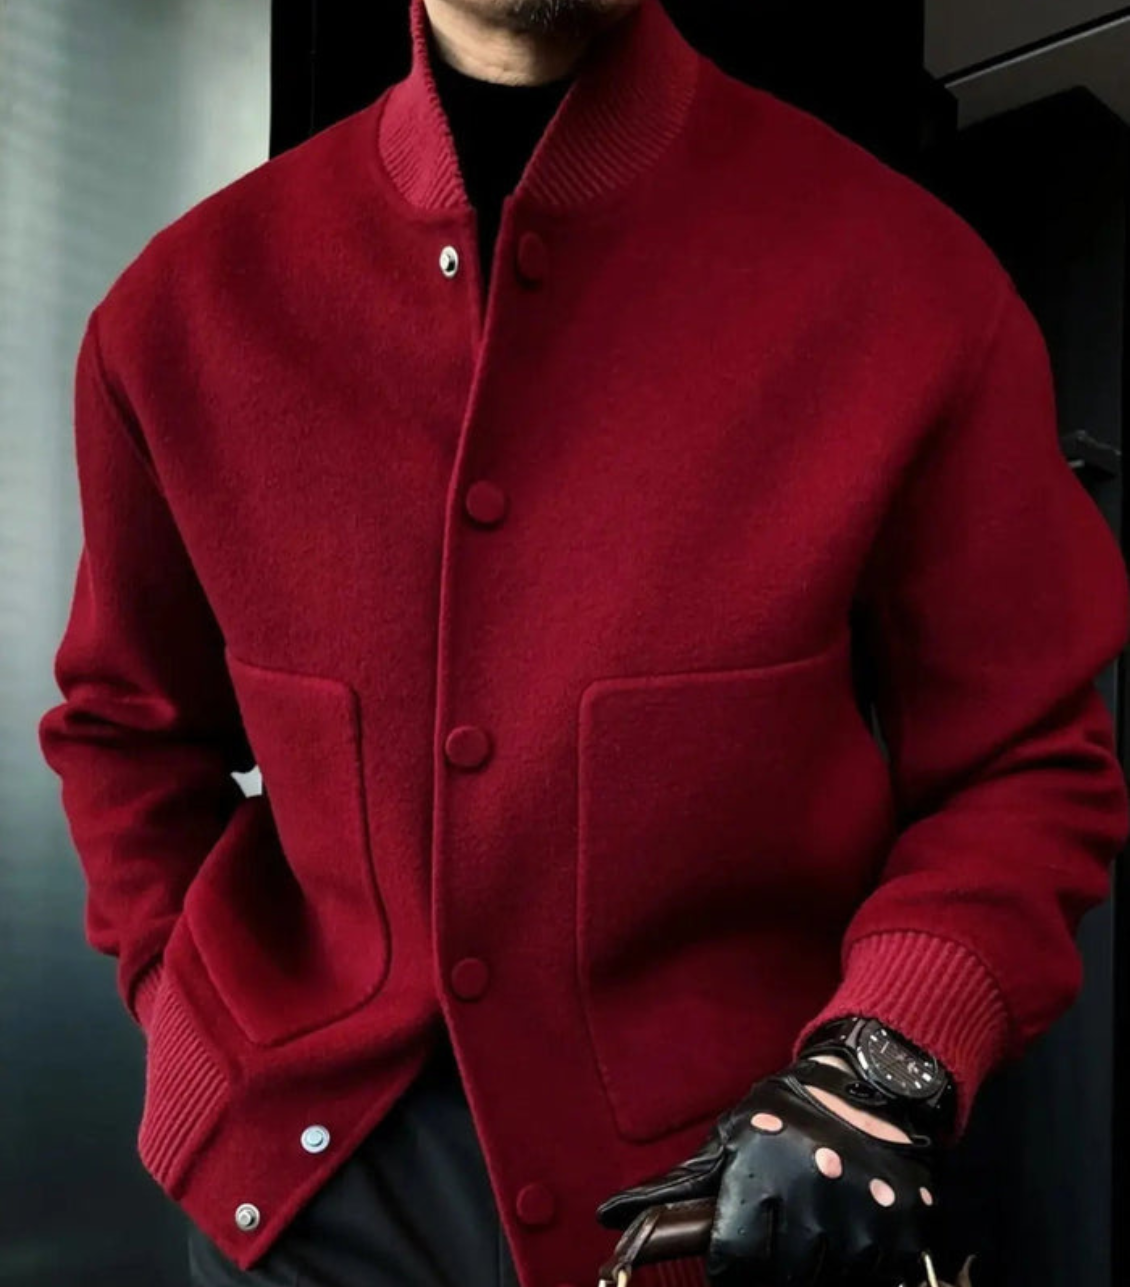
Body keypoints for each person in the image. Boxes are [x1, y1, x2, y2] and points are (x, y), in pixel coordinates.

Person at [37, 0, 1130, 1285]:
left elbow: (1024, 763)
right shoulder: (174, 315)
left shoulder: (911, 284)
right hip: (299, 1202)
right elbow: (125, 735)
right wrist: (182, 1009)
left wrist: (880, 1064)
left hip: (736, 1208)